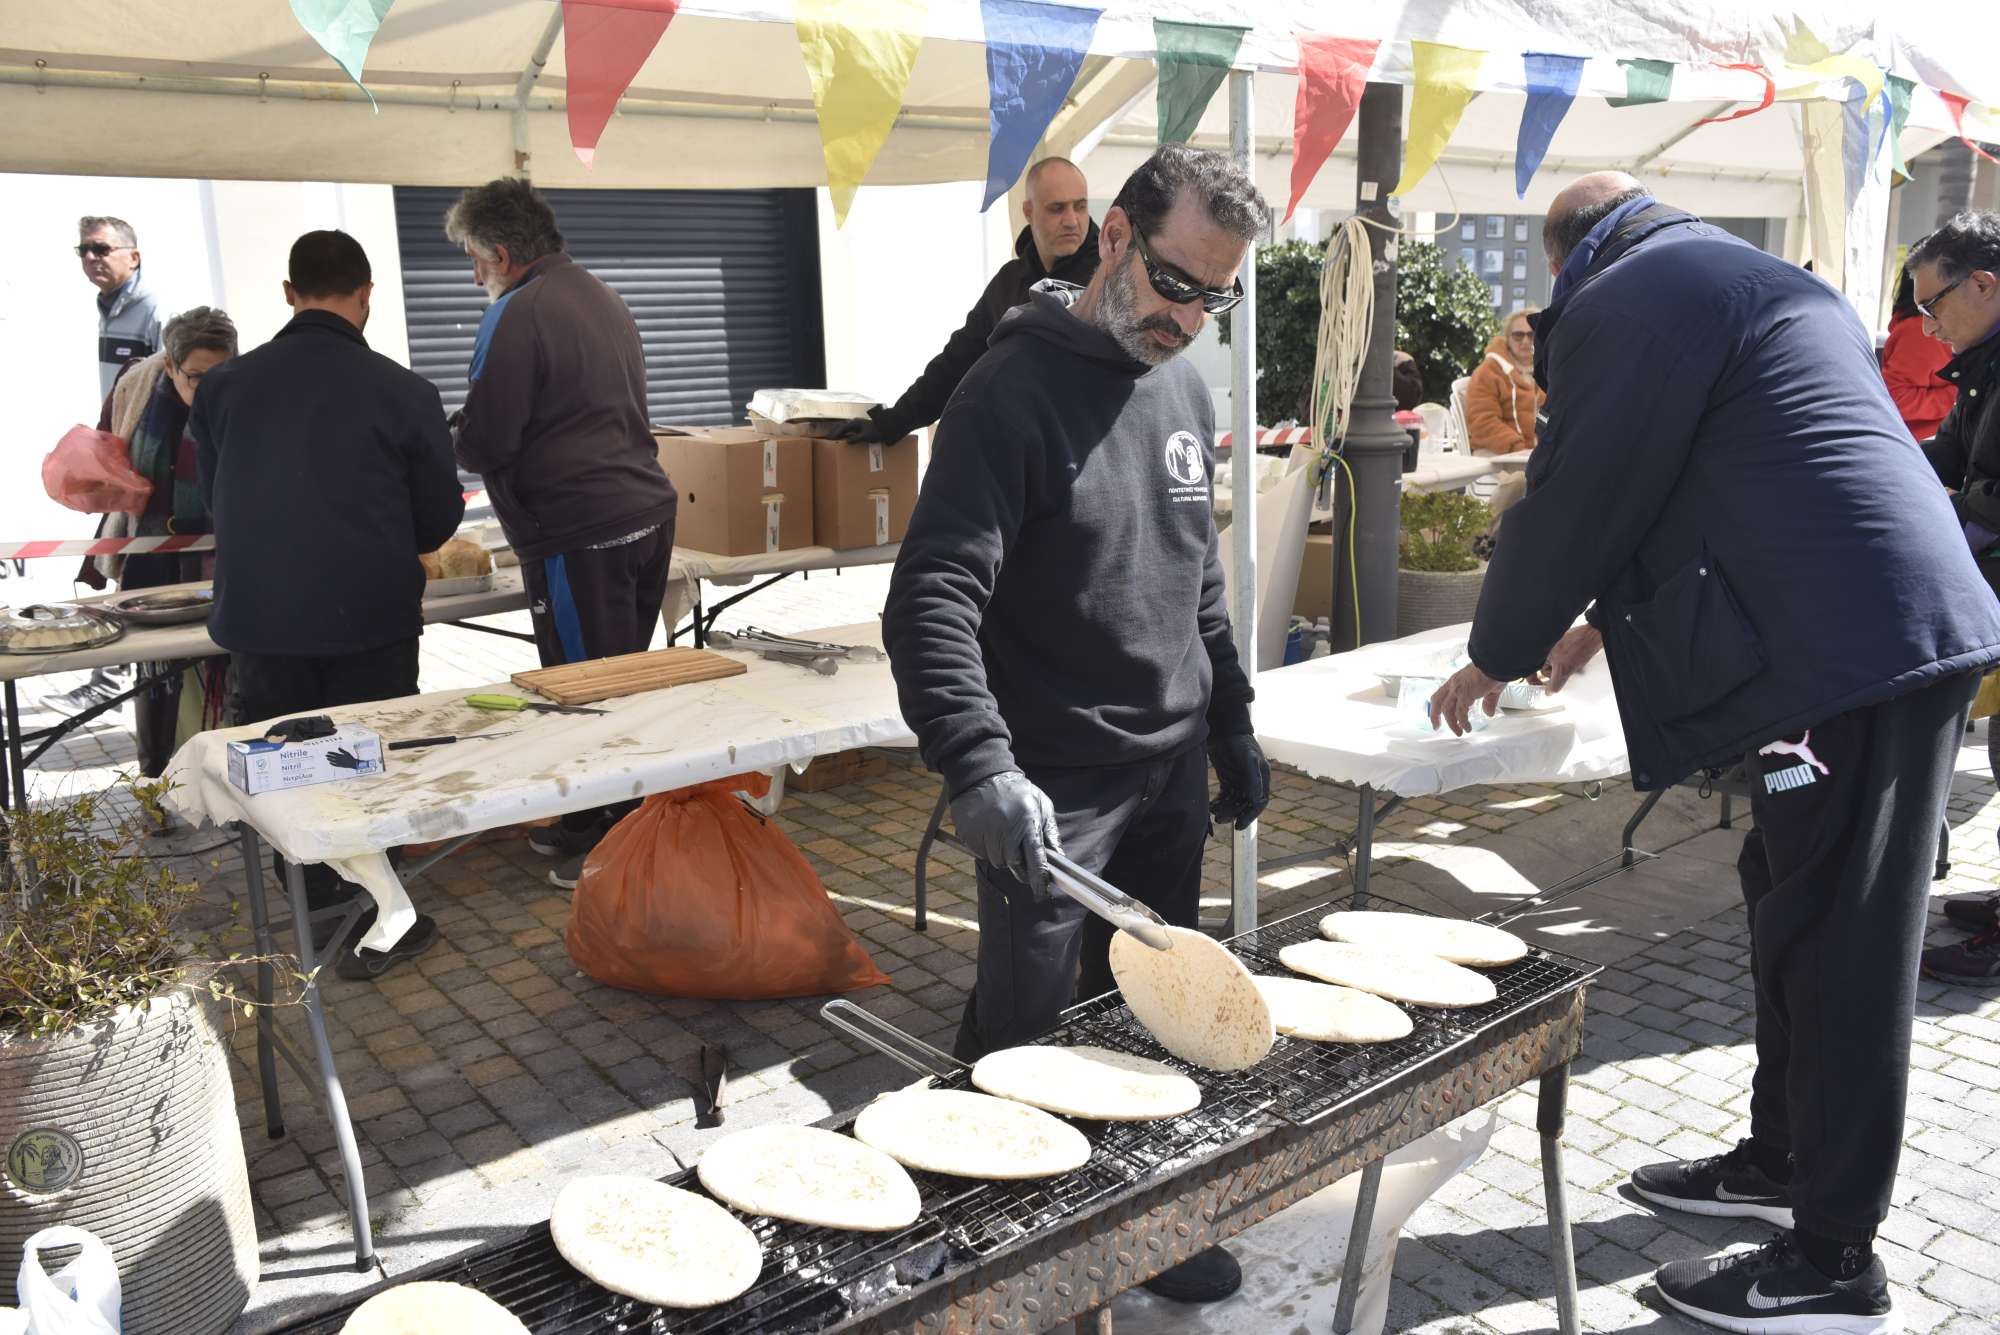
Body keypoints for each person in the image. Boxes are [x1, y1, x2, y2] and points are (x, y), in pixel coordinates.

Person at [1428, 174, 2000, 1335]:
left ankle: (1832, 1260)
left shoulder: (1626, 300)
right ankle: (1779, 1161)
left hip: (1847, 649)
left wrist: (1497, 646)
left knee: (1842, 935)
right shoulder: (1736, 278)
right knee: (1784, 899)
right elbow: (1710, 480)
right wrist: (1594, 621)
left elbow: (1580, 487)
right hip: (1862, 630)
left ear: (1564, 259)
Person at [883, 145, 1272, 1306]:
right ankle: (990, 1257)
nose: (1189, 316)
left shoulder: (1185, 386)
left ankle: (1141, 1227)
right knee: (1026, 1031)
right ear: (1112, 237)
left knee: (1151, 1025)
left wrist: (1232, 721)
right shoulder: (1006, 395)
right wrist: (977, 765)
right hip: (1053, 789)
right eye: (1173, 281)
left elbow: (1195, 574)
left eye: (1216, 294)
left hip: (1165, 773)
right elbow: (930, 596)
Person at [191, 230, 465, 979]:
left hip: (262, 620)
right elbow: (439, 520)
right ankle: (378, 917)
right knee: (366, 766)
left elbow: (219, 500)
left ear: (288, 293)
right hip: (367, 617)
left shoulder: (222, 386)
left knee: (284, 768)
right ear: (367, 294)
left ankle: (313, 905)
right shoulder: (406, 391)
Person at [444, 178, 678, 889]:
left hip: (580, 525)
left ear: (503, 254)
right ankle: (590, 815)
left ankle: (614, 847)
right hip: (641, 511)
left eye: (474, 260)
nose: (473, 275)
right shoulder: (599, 292)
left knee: (586, 688)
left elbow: (486, 438)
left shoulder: (517, 311)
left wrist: (445, 436)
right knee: (621, 677)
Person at [835, 157, 1100, 445]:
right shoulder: (1009, 282)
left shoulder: (1109, 277)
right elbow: (958, 361)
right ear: (1028, 211)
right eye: (1057, 208)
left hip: (1091, 451)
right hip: (1026, 454)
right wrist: (891, 424)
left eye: (1080, 206)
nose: (1072, 220)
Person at [1908, 211, 2000, 985]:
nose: (1926, 325)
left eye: (1932, 305)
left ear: (1983, 284)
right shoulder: (1984, 363)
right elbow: (1957, 453)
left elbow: (1990, 497)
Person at [95, 306, 239, 775]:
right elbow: (105, 451)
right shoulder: (136, 387)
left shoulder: (247, 392)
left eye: (222, 375)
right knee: (157, 679)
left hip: (224, 563)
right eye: (196, 377)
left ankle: (224, 779)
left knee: (221, 675)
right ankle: (161, 779)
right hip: (151, 559)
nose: (209, 390)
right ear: (170, 365)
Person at [49, 216, 165, 712]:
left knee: (130, 563)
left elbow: (169, 390)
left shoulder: (155, 311)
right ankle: (116, 679)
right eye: (83, 250)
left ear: (132, 256)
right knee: (119, 561)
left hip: (151, 467)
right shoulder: (111, 311)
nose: (91, 258)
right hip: (122, 462)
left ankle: (112, 680)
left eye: (100, 248)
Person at [1881, 260, 1958, 442]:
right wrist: (1959, 394)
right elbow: (1897, 397)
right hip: (1918, 445)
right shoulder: (1919, 332)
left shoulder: (1918, 328)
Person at [1463, 307, 1543, 455]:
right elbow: (1483, 422)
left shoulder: (1546, 372)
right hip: (1497, 456)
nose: (1525, 341)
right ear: (1508, 338)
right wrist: (1518, 449)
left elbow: (1551, 417)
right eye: (1518, 335)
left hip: (1534, 456)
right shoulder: (1488, 371)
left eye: (1532, 335)